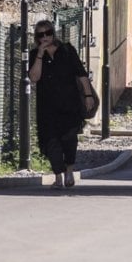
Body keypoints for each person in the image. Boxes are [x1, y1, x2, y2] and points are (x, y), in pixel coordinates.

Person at [27, 19, 97, 188]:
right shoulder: (35, 54)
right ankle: (58, 176)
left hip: (69, 104)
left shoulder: (67, 50)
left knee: (68, 138)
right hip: (47, 107)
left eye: (48, 33)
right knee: (51, 141)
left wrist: (88, 96)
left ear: (53, 33)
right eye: (41, 34)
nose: (45, 37)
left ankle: (70, 171)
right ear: (37, 37)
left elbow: (81, 74)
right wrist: (40, 55)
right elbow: (34, 77)